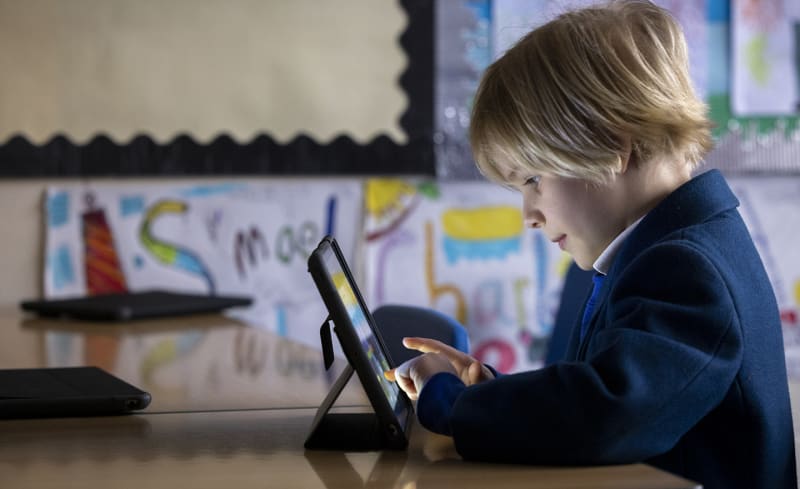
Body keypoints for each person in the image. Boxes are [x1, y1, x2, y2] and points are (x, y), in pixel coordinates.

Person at [383, 1, 797, 488]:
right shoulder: (664, 249)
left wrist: (451, 402)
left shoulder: (687, 267)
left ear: (609, 144)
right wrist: (490, 396)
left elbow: (605, 415)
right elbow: (596, 390)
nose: (529, 215)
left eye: (534, 179)